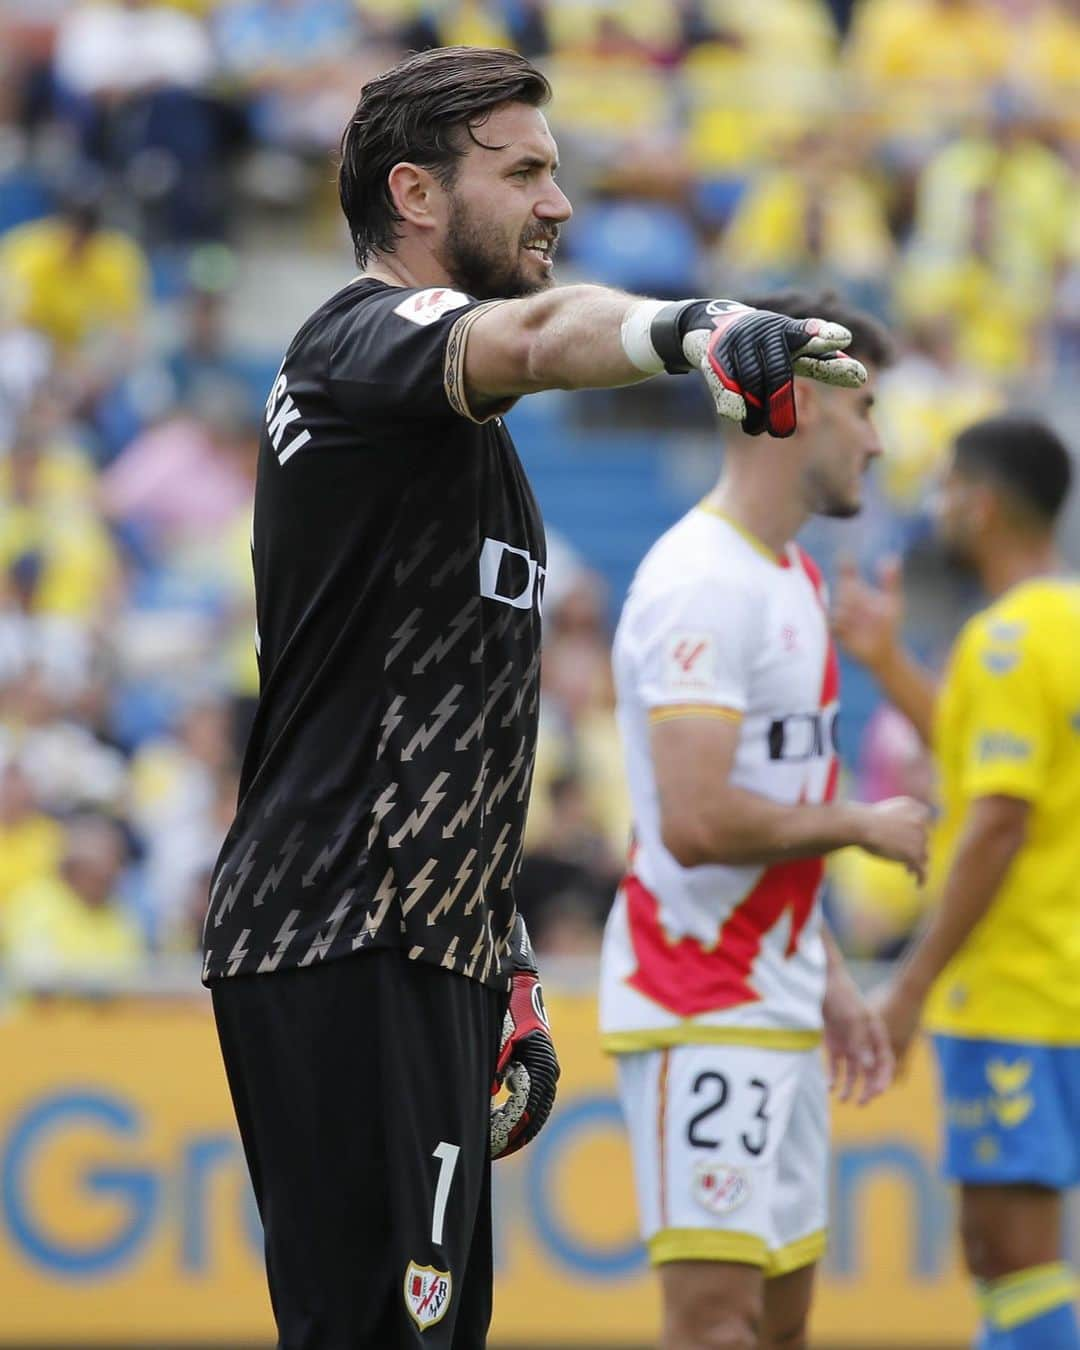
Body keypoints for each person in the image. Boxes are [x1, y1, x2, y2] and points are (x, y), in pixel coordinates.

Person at [202, 46, 867, 1349]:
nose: (560, 202)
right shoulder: (356, 341)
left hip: (414, 935)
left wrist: (496, 947)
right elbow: (535, 332)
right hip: (343, 924)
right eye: (526, 173)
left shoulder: (444, 436)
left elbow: (418, 715)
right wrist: (690, 327)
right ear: (417, 194)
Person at [599, 289, 931, 1350]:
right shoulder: (703, 584)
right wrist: (863, 824)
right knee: (718, 1325)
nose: (877, 443)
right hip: (701, 995)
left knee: (783, 1325)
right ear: (800, 406)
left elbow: (770, 817)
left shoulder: (788, 576)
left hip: (776, 989)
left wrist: (827, 977)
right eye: (864, 408)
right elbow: (697, 821)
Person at [832, 414, 1080, 1350]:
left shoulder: (1005, 640)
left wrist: (913, 983)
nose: (935, 508)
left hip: (1013, 991)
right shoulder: (1061, 622)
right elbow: (990, 770)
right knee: (1007, 1253)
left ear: (979, 505)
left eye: (944, 489)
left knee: (1010, 1250)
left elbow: (996, 823)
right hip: (1059, 980)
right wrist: (889, 661)